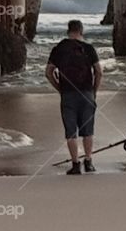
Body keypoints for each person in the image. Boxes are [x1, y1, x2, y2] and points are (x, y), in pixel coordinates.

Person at [46, 19, 102, 175]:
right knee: (88, 131)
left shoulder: (59, 49)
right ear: (81, 31)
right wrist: (94, 91)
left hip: (68, 94)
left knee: (71, 132)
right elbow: (99, 72)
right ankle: (89, 162)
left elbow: (48, 73)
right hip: (87, 93)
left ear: (68, 31)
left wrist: (60, 88)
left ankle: (75, 164)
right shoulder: (88, 48)